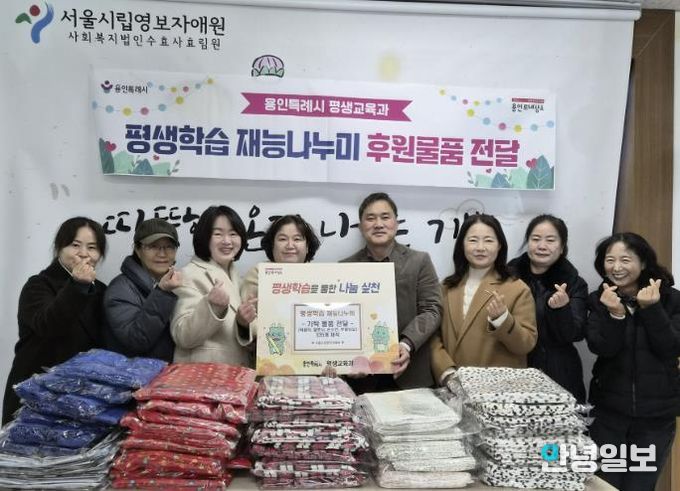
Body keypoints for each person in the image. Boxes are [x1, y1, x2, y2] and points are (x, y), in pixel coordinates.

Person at [586, 232, 680, 491]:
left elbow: (671, 348)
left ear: (644, 262)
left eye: (625, 260)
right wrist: (615, 314)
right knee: (604, 484)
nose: (616, 267)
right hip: (608, 414)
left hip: (656, 418)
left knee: (640, 484)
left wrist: (652, 309)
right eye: (610, 260)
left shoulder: (671, 299)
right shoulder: (599, 299)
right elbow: (601, 348)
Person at [2, 217, 107, 424]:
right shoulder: (38, 285)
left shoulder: (101, 290)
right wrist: (77, 286)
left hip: (81, 396)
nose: (84, 253)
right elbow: (48, 325)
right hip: (35, 393)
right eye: (75, 245)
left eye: (92, 247)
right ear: (60, 248)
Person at [341, 192, 441, 393]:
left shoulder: (419, 261)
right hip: (361, 377)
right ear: (361, 227)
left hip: (410, 372)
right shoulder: (345, 267)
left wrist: (406, 344)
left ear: (396, 223)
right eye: (370, 218)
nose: (378, 224)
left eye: (385, 217)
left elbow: (432, 310)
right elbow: (341, 318)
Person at [430, 214, 537, 386]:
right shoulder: (446, 288)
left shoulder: (517, 289)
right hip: (453, 387)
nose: (480, 248)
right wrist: (446, 372)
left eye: (488, 240)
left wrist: (503, 320)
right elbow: (434, 338)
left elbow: (526, 344)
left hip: (498, 390)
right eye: (473, 240)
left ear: (499, 245)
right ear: (462, 245)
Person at [508, 214, 587, 402]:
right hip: (514, 369)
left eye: (550, 240)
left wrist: (561, 310)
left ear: (562, 247)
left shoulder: (574, 283)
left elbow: (576, 333)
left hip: (559, 373)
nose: (542, 246)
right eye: (535, 239)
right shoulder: (507, 278)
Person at [170, 206, 254, 365]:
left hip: (235, 374)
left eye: (233, 234)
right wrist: (212, 307)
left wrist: (243, 324)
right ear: (204, 237)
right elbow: (182, 335)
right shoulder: (189, 274)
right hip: (202, 375)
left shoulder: (239, 278)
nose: (227, 241)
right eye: (218, 234)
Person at [103, 218, 182, 362]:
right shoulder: (120, 289)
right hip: (136, 374)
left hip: (169, 372)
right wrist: (162, 292)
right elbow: (136, 340)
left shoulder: (177, 284)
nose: (162, 254)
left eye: (169, 247)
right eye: (153, 246)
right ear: (138, 250)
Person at [238, 214, 321, 348]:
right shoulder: (258, 274)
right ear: (272, 245)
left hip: (313, 351)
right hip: (271, 350)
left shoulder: (320, 276)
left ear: (307, 246)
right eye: (282, 239)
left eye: (297, 239)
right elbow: (248, 320)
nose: (290, 245)